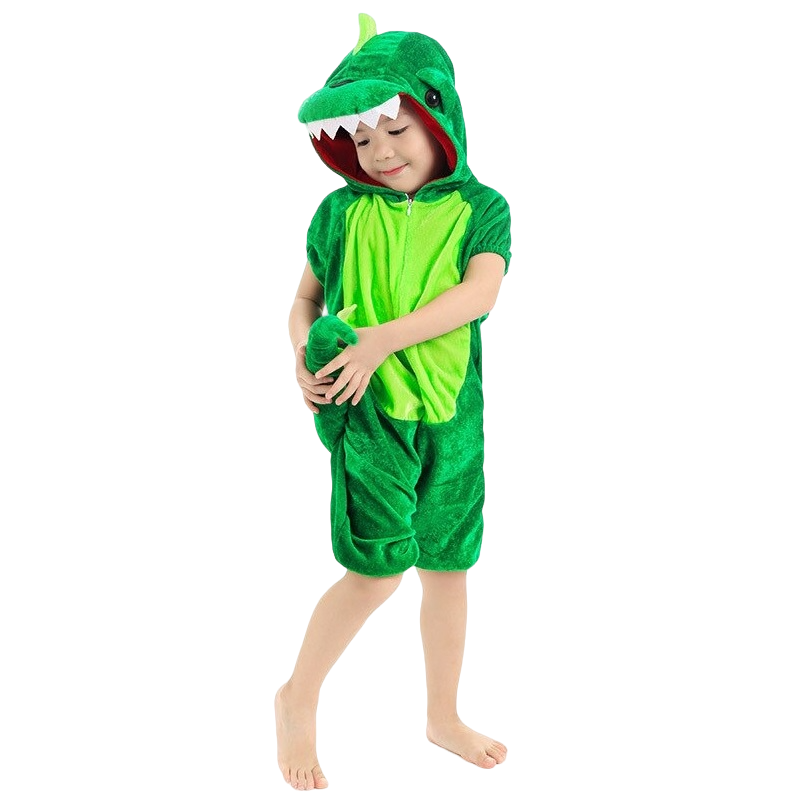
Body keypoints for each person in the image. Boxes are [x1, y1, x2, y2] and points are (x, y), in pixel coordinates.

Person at [276, 14, 511, 791]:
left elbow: (479, 294)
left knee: (448, 566)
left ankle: (443, 716)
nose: (379, 152)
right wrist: (300, 354)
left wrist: (382, 337)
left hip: (452, 417)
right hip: (371, 415)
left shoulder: (482, 207)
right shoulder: (341, 213)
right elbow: (303, 303)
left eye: (396, 130)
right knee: (376, 573)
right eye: (362, 139)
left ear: (437, 115)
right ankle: (297, 695)